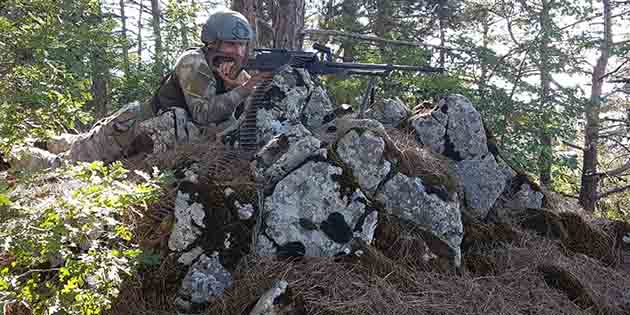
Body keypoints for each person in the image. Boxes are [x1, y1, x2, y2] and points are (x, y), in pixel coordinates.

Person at [63, 9, 272, 163]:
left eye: (243, 44)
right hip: (129, 129)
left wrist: (235, 87)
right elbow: (203, 114)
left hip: (155, 139)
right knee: (68, 163)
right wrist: (243, 89)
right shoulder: (193, 62)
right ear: (212, 43)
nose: (239, 52)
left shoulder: (233, 71)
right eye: (231, 44)